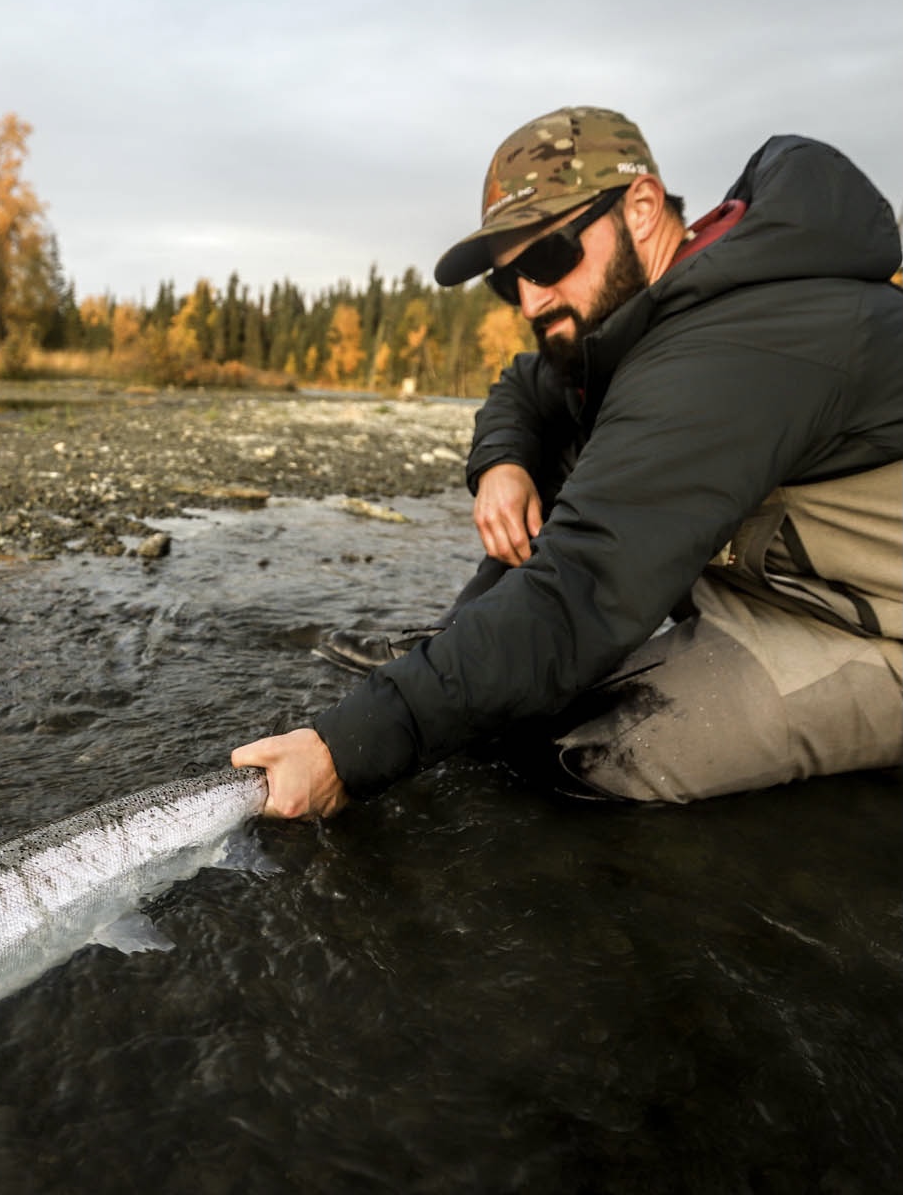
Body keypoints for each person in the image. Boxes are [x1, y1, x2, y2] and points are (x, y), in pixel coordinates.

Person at [232, 106, 903, 817]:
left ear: (641, 207)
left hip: (873, 627)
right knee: (503, 694)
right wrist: (503, 464)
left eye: (547, 258)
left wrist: (348, 746)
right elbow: (525, 383)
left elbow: (581, 588)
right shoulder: (663, 303)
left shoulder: (739, 336)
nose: (529, 297)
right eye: (505, 278)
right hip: (769, 590)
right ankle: (464, 646)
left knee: (572, 753)